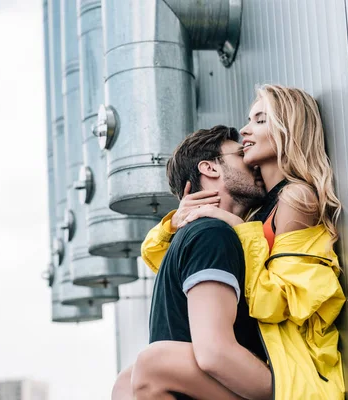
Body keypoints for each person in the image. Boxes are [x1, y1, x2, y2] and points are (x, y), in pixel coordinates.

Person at [116, 84, 347, 399]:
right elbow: (170, 260)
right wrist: (177, 221)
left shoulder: (296, 198)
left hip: (286, 366)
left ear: (286, 129)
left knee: (153, 363)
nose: (245, 130)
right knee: (125, 381)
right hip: (257, 358)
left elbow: (284, 301)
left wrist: (235, 227)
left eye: (260, 120)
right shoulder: (254, 212)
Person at [111, 124, 273, 400]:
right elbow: (214, 353)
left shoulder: (192, 238)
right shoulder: (211, 235)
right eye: (240, 154)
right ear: (210, 168)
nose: (252, 163)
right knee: (152, 364)